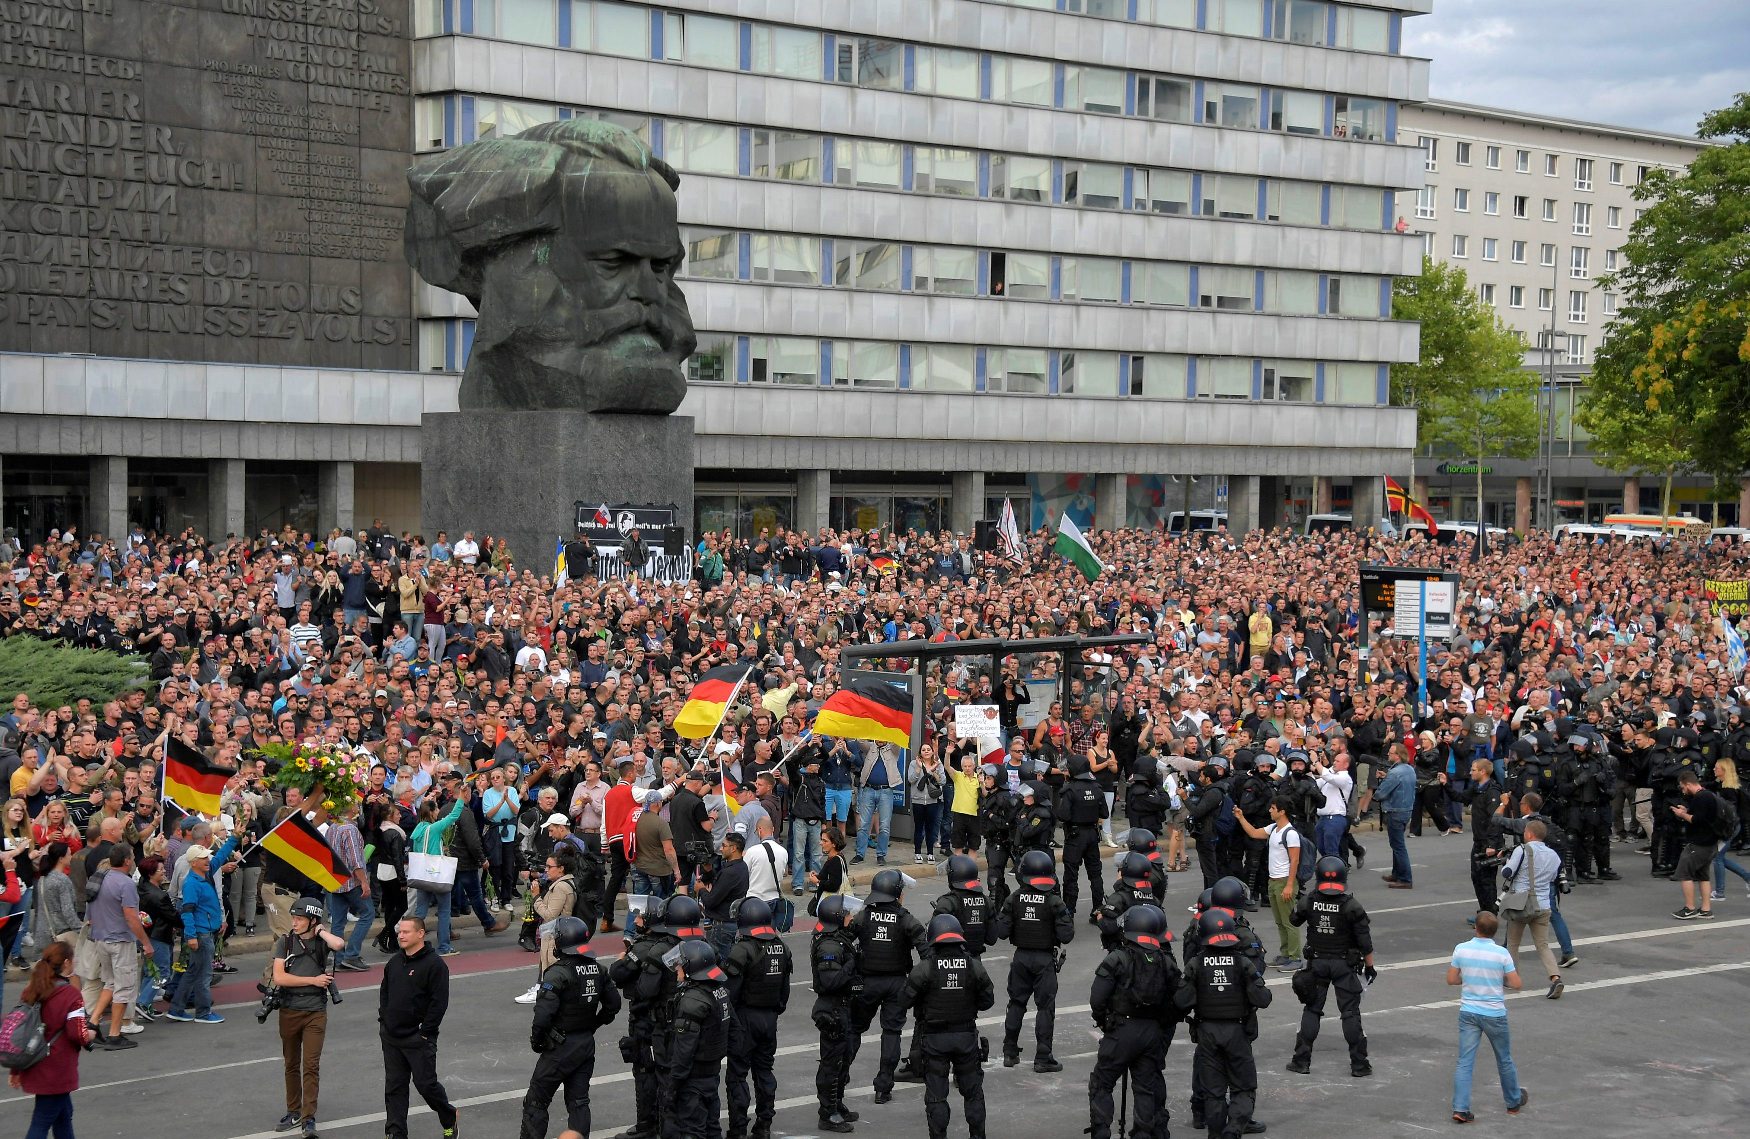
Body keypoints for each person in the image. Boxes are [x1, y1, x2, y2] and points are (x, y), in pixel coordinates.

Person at [520, 915, 620, 1139]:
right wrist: (593, 1024)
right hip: (585, 1044)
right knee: (579, 1101)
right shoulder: (598, 970)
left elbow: (543, 1015)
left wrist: (537, 1041)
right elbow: (613, 1005)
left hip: (559, 1047)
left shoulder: (556, 973)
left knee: (536, 1101)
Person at [1175, 910, 1273, 1139]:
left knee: (1213, 1092)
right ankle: (1235, 1128)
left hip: (1207, 1032)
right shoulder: (1242, 962)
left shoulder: (1196, 963)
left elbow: (1181, 1001)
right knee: (1243, 1086)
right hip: (1238, 1031)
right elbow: (1263, 999)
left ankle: (1217, 1134)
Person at [1088, 904, 1180, 1139]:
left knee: (1102, 1083)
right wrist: (1161, 1023)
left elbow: (1098, 997)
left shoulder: (1118, 958)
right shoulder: (1165, 960)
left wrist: (1103, 1021)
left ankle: (1101, 1130)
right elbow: (1177, 999)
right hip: (1151, 1032)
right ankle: (1143, 1133)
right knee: (1145, 1088)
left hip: (1121, 1029)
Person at [903, 914, 996, 1139]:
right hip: (965, 1037)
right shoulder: (974, 966)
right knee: (973, 1093)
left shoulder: (924, 969)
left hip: (934, 1039)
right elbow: (987, 1002)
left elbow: (904, 1000)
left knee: (936, 1096)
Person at [1285, 856, 1374, 1077]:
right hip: (1345, 964)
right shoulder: (1351, 905)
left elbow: (1294, 920)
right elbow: (1365, 943)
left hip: (1317, 963)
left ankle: (1301, 1061)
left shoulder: (1310, 901)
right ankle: (1359, 1065)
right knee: (1350, 1013)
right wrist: (1370, 968)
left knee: (1312, 1010)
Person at [848, 868, 926, 1103]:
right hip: (896, 984)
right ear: (897, 893)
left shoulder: (863, 916)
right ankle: (883, 1088)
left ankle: (839, 1079)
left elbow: (843, 940)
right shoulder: (905, 919)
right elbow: (927, 952)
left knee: (854, 1029)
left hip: (866, 983)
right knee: (891, 1033)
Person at [994, 848, 1074, 1073]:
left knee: (1016, 1003)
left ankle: (1009, 1052)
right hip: (1044, 959)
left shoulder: (1014, 898)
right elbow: (1067, 935)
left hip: (1021, 958)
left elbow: (1001, 931)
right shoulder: (1053, 901)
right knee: (1045, 1008)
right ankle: (1043, 1057)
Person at [379, 916, 459, 1139]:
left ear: (420, 934)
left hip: (418, 1038)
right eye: (399, 932)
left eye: (406, 932)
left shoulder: (435, 965)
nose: (401, 936)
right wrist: (384, 1022)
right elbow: (384, 993)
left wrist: (425, 1033)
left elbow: (439, 1003)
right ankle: (395, 1133)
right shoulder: (394, 963)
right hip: (391, 1037)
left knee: (426, 1085)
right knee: (394, 1087)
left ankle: (448, 1116)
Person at [272, 897, 347, 1137]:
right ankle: (293, 1110)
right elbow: (280, 978)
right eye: (293, 917)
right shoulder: (285, 942)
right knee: (291, 1063)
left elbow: (339, 945)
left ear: (312, 920)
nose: (294, 922)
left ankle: (308, 1117)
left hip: (315, 1011)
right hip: (289, 1010)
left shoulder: (321, 942)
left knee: (311, 1065)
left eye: (300, 918)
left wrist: (322, 931)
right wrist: (313, 981)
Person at [1446, 911, 1529, 1124]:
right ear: (1494, 931)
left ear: (1476, 928)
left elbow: (1452, 980)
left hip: (1468, 1012)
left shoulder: (1461, 949)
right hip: (1494, 1013)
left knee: (1465, 1061)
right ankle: (1513, 1102)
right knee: (1504, 1058)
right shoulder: (1501, 953)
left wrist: (1469, 978)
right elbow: (1516, 984)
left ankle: (1461, 1108)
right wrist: (1498, 981)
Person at [607, 898, 679, 1139]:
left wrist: (620, 959)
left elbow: (618, 974)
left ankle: (647, 1125)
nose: (635, 920)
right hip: (668, 1019)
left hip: (645, 1018)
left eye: (639, 916)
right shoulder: (675, 942)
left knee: (645, 1071)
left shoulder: (642, 947)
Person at [9, 942, 93, 1139]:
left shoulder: (32, 990)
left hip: (34, 1061)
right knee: (42, 1121)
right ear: (66, 963)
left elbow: (21, 1031)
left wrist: (16, 1069)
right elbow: (77, 1034)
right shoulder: (71, 995)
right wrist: (90, 1035)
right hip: (57, 1068)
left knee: (64, 1115)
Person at [724, 896, 792, 1139]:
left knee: (737, 1075)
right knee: (764, 1072)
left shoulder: (742, 949)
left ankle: (738, 1128)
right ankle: (764, 1124)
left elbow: (730, 993)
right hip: (769, 1018)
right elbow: (785, 991)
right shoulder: (781, 947)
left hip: (745, 1019)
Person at [82, 842, 153, 1049]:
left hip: (101, 939)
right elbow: (131, 917)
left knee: (110, 983)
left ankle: (93, 1022)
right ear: (127, 861)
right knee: (124, 988)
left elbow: (91, 914)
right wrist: (146, 943)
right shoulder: (126, 883)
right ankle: (114, 1034)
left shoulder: (99, 878)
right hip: (120, 940)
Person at [165, 833, 240, 1024]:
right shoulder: (192, 883)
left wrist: (235, 838)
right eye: (203, 858)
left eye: (207, 857)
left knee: (192, 972)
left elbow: (221, 856)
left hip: (204, 932)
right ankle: (203, 1012)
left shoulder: (204, 874)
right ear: (193, 863)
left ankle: (176, 1009)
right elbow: (187, 912)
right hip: (201, 933)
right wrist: (191, 936)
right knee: (204, 974)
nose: (208, 860)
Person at [666, 941, 733, 1139]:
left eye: (680, 965)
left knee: (692, 1130)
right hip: (711, 1073)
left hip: (693, 1078)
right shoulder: (719, 992)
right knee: (712, 1128)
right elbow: (735, 1030)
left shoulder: (692, 1001)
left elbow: (684, 1049)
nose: (677, 968)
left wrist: (674, 1085)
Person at [809, 894, 863, 1134]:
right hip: (831, 1009)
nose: (851, 917)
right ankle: (827, 1112)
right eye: (847, 914)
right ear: (837, 918)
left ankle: (837, 1104)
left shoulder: (838, 939)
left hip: (842, 1007)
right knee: (832, 1063)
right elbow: (831, 981)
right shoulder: (829, 946)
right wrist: (854, 962)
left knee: (844, 1058)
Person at [1232, 795, 1303, 969]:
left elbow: (1294, 861)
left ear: (1282, 811)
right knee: (1280, 922)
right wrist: (1241, 817)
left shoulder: (1290, 833)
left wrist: (1288, 885)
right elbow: (1254, 833)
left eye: (1273, 808)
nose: (1270, 811)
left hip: (1284, 881)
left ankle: (1295, 958)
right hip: (1273, 882)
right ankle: (1285, 954)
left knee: (1289, 922)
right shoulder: (1274, 828)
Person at [1497, 819, 1564, 999]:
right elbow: (1553, 877)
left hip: (1522, 903)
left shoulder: (1523, 850)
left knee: (1513, 943)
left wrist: (1505, 861)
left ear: (1529, 834)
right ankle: (1555, 978)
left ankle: (1512, 979)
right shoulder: (1554, 855)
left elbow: (1507, 872)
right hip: (1543, 905)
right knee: (1542, 945)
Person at [407, 791, 466, 957]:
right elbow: (453, 816)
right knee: (444, 911)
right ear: (432, 812)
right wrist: (460, 797)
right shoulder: (434, 828)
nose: (439, 811)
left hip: (421, 875)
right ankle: (444, 947)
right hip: (437, 875)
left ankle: (412, 944)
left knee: (420, 912)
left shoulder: (419, 829)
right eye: (437, 808)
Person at [1671, 768, 1724, 920]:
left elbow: (1697, 820)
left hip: (1699, 843)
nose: (1682, 791)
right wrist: (1687, 810)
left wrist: (1682, 814)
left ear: (1688, 784)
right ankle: (1706, 909)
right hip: (1710, 843)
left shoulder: (1701, 797)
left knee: (1685, 873)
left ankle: (1689, 908)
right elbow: (1703, 816)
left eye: (1682, 787)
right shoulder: (1708, 795)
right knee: (1703, 876)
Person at [1059, 766, 1109, 920]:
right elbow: (1105, 813)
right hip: (1093, 834)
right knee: (1095, 874)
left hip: (1075, 836)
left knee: (1071, 875)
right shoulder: (1097, 788)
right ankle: (1098, 909)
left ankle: (1069, 910)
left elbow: (1063, 815)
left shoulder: (1070, 790)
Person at [1375, 744, 1417, 889]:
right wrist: (1386, 777)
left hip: (1395, 810)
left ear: (1397, 755)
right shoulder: (1409, 769)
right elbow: (1401, 784)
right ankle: (1397, 873)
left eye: (1391, 753)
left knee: (1398, 846)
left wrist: (1379, 788)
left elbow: (1381, 793)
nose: (1388, 754)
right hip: (1406, 810)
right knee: (1396, 844)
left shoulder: (1395, 773)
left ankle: (1405, 879)